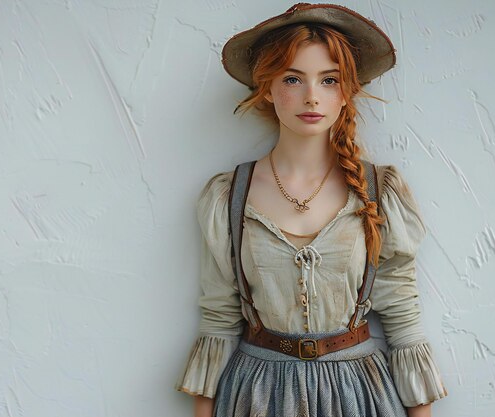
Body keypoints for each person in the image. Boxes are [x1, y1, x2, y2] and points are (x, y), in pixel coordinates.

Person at [175, 3, 448, 417]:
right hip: (259, 394)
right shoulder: (228, 197)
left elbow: (402, 313)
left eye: (329, 80)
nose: (311, 97)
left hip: (358, 393)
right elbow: (219, 317)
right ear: (266, 87)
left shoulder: (379, 191)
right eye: (292, 79)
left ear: (346, 92)